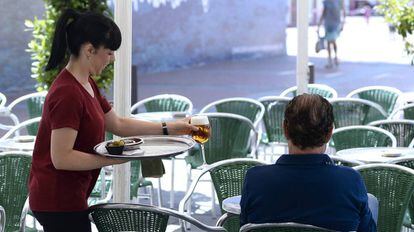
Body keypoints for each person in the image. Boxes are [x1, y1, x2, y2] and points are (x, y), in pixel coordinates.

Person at [28, 9, 196, 232]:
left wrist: (172, 128)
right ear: (89, 50)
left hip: (69, 195)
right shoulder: (67, 93)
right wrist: (111, 160)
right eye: (109, 52)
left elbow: (119, 124)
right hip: (57, 199)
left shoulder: (86, 84)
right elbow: (62, 158)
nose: (113, 58)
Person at [240, 94, 376, 232]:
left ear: (285, 129)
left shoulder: (255, 180)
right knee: (372, 203)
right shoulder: (350, 181)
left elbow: (244, 225)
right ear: (329, 133)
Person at [317, 0, 346, 69]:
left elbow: (343, 11)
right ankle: (330, 60)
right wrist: (319, 24)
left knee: (332, 40)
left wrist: (343, 24)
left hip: (335, 24)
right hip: (328, 24)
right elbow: (324, 13)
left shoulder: (339, 1)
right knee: (329, 42)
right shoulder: (326, 2)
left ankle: (334, 57)